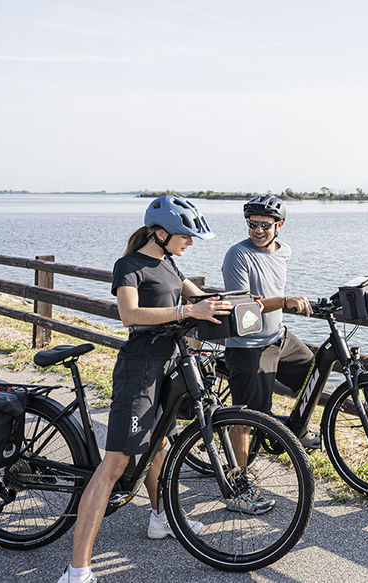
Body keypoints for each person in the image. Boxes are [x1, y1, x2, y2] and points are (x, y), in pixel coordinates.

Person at [57, 195, 230, 583]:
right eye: (185, 236)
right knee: (115, 465)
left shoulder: (169, 263)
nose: (190, 243)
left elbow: (196, 298)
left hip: (167, 366)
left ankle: (160, 518)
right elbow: (129, 315)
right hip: (139, 371)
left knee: (160, 447)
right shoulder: (129, 266)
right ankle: (77, 570)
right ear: (160, 233)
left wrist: (238, 304)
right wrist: (187, 311)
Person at [220, 195, 317, 463]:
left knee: (314, 372)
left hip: (279, 337)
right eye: (253, 224)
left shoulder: (284, 251)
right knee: (247, 418)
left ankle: (293, 426)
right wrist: (286, 302)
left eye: (265, 225)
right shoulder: (238, 255)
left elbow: (270, 292)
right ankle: (238, 481)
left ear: (279, 225)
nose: (258, 231)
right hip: (249, 345)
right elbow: (244, 305)